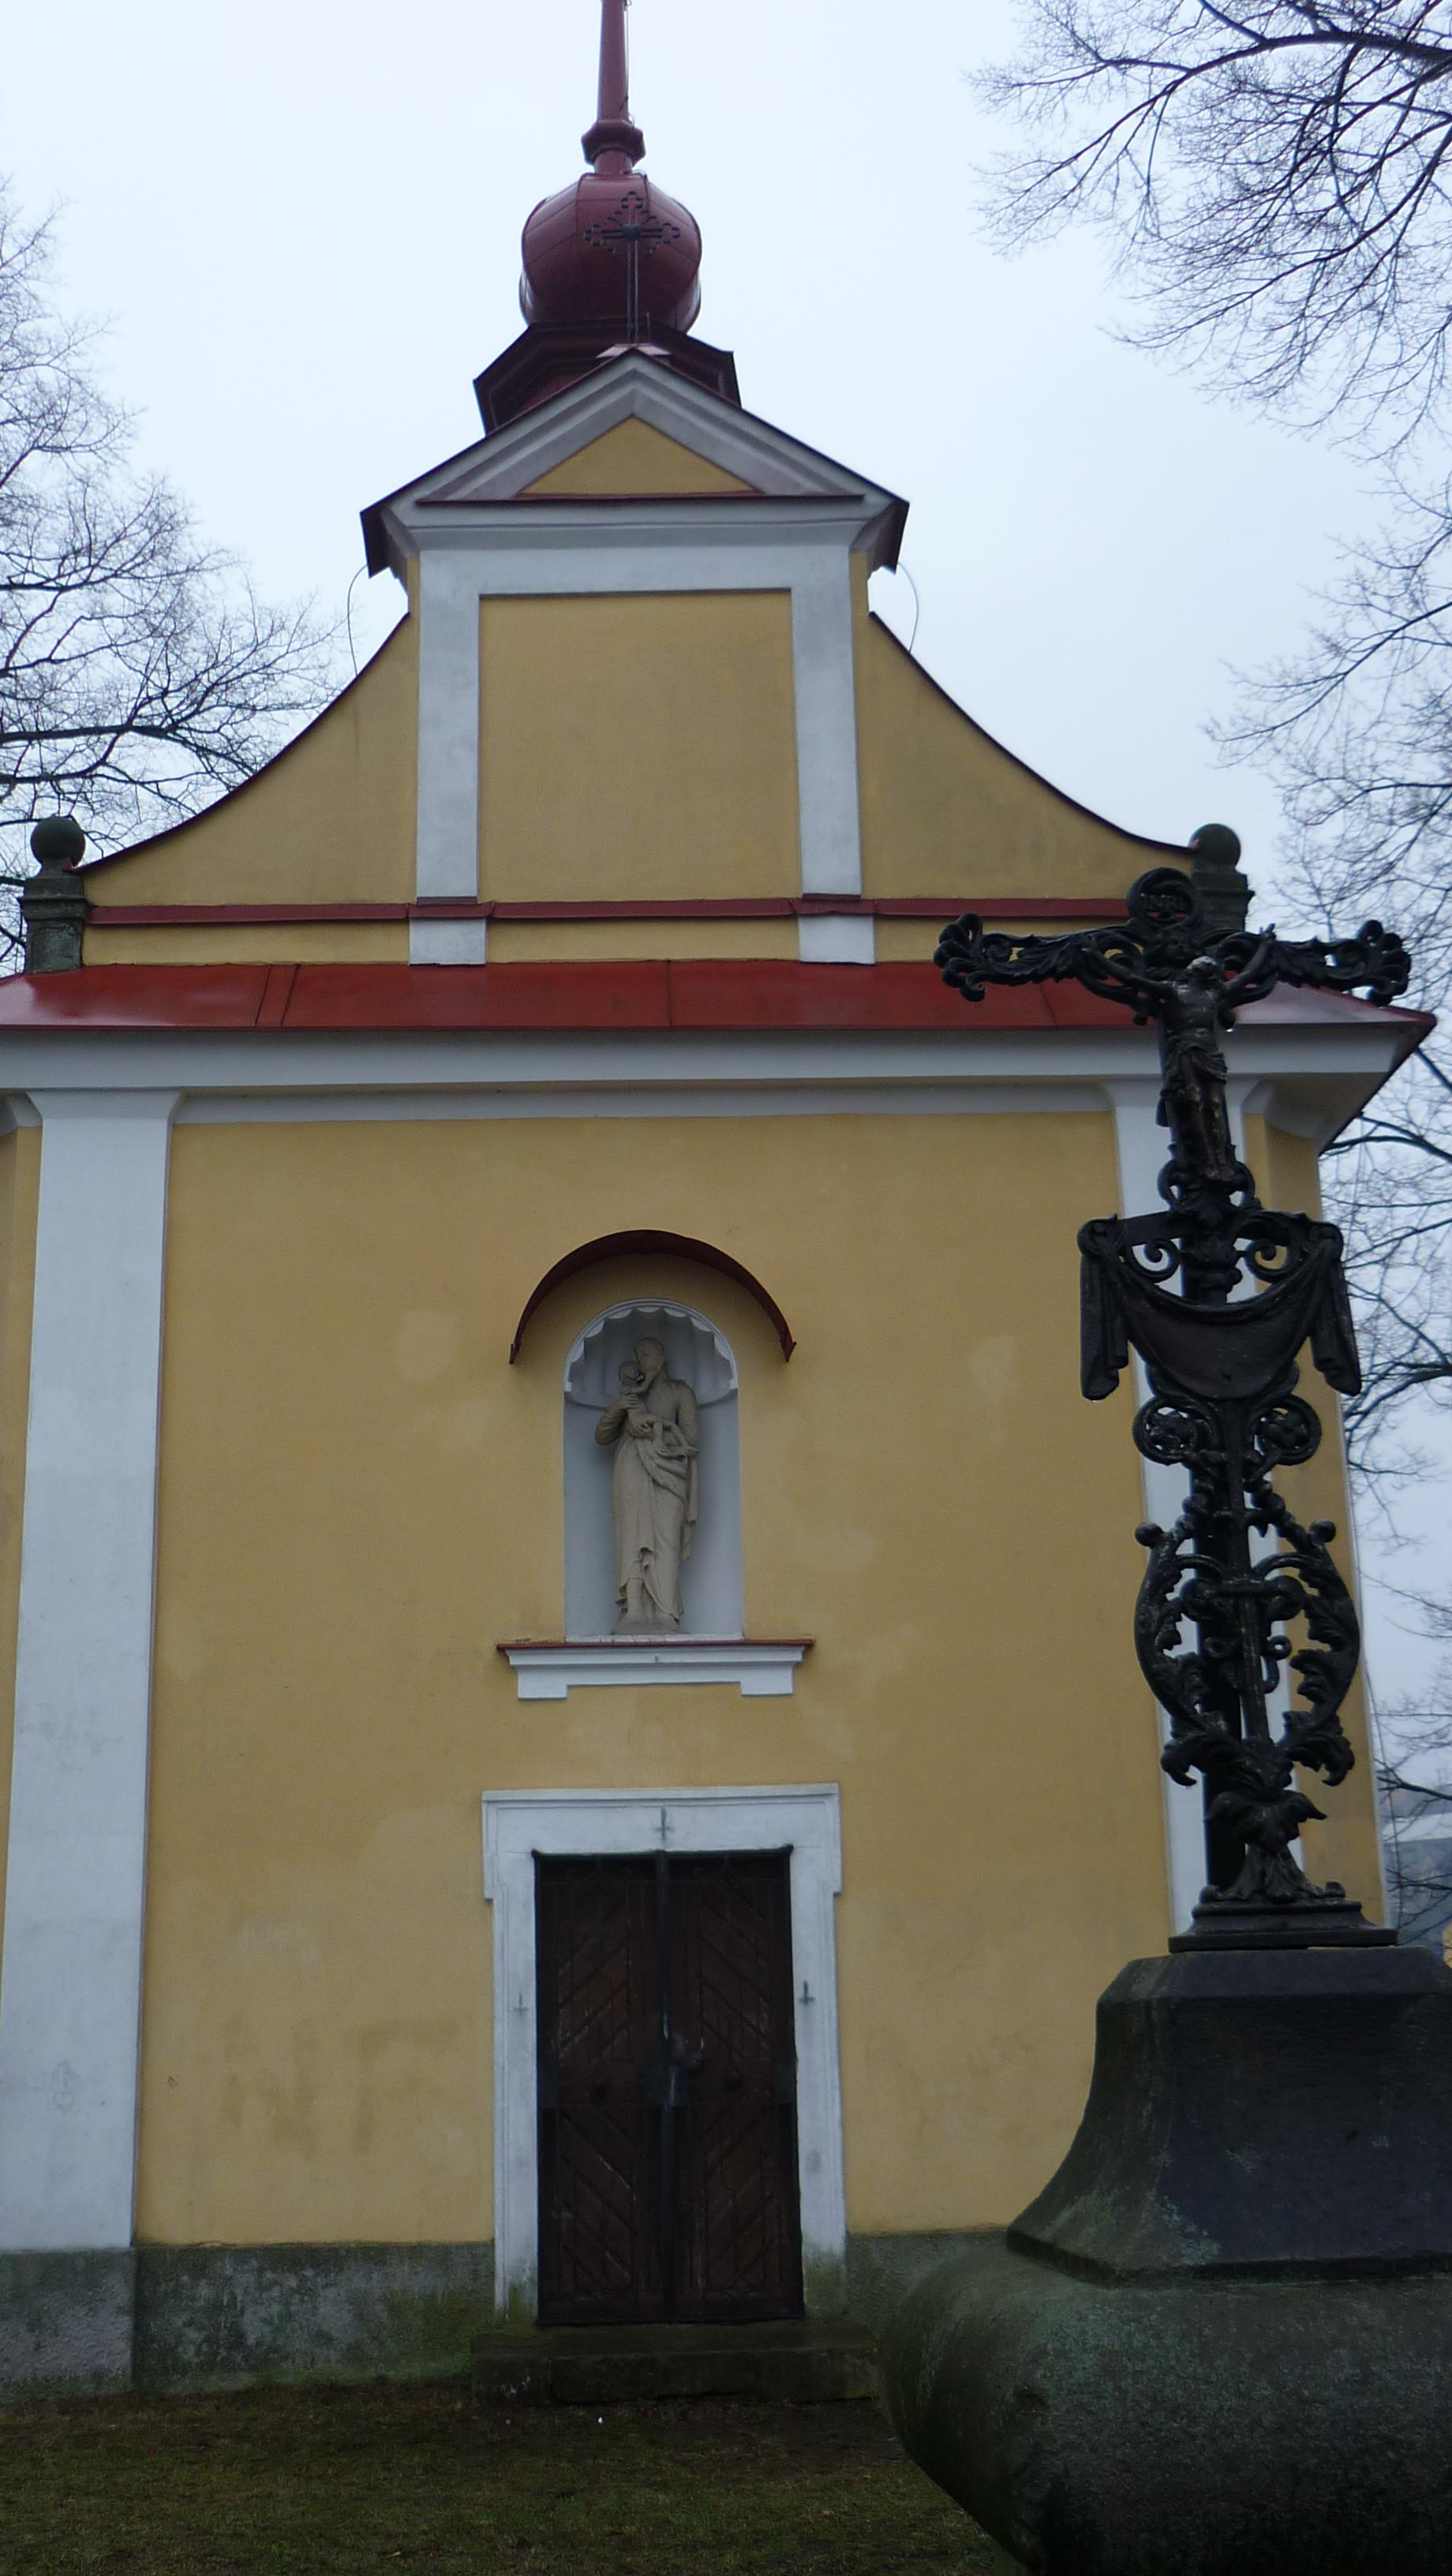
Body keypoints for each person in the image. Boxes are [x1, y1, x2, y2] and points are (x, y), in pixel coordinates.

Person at [594, 1338, 700, 1631]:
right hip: (631, 1467)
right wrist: (618, 1408)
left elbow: (692, 1440)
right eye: (640, 1356)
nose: (644, 1361)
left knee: (667, 1538)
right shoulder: (630, 1398)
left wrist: (659, 1436)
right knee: (631, 1537)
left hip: (669, 1472)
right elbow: (602, 1436)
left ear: (662, 1357)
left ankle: (666, 1611)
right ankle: (635, 1610)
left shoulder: (680, 1392)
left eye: (649, 1354)